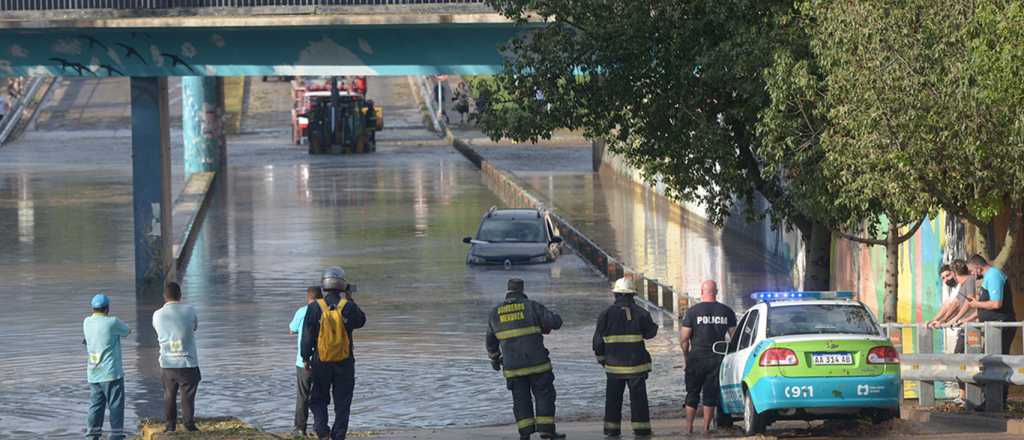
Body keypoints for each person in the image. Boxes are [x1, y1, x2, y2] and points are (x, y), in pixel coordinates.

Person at [486, 278, 566, 440]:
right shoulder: (532, 306)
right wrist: (555, 317)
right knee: (544, 395)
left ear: (507, 291)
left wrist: (495, 359)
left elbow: (490, 341)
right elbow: (555, 322)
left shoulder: (495, 313)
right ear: (522, 290)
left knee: (520, 400)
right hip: (538, 365)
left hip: (513, 368)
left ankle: (525, 434)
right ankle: (546, 431)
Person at [302, 267, 366, 440]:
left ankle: (322, 432)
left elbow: (307, 335)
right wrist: (350, 299)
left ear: (324, 285)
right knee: (343, 402)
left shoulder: (315, 307)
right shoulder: (348, 307)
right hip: (344, 361)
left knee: (318, 399)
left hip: (321, 360)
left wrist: (305, 358)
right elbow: (361, 321)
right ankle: (338, 436)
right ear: (343, 286)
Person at [593, 278, 658, 438]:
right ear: (633, 295)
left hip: (614, 368)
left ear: (616, 294)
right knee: (639, 401)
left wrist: (602, 360)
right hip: (637, 367)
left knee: (613, 401)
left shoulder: (605, 314)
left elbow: (597, 342)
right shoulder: (642, 313)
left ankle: (611, 431)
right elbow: (650, 333)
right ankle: (642, 431)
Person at [679, 280, 736, 434]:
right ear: (716, 292)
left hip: (696, 358)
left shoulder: (692, 312)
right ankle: (706, 429)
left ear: (701, 292)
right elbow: (734, 338)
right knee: (710, 395)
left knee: (692, 393)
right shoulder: (727, 311)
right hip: (717, 359)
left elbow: (684, 339)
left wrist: (686, 357)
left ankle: (689, 428)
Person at [966, 254, 1016, 410]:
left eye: (972, 271)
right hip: (993, 327)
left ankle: (998, 402)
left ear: (978, 267)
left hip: (1000, 327)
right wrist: (971, 316)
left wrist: (976, 304)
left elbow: (996, 303)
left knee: (997, 364)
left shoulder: (993, 275)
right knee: (990, 363)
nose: (972, 274)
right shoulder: (989, 276)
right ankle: (992, 400)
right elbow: (984, 306)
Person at [152, 282, 201, 433]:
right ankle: (188, 424)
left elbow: (157, 331)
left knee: (169, 394)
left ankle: (170, 426)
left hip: (167, 363)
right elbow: (194, 327)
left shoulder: (157, 314)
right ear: (180, 295)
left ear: (164, 297)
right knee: (188, 395)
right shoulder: (190, 310)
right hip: (188, 363)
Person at [926, 260, 977, 404]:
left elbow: (964, 304)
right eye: (943, 278)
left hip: (972, 327)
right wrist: (938, 320)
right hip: (964, 327)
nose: (946, 280)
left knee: (962, 359)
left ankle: (968, 396)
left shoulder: (968, 282)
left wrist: (946, 321)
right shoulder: (960, 286)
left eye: (948, 276)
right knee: (959, 359)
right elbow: (950, 305)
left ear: (954, 273)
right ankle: (963, 396)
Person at [83, 293, 131, 440]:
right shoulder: (112, 322)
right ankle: (116, 437)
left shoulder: (86, 322)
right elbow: (127, 331)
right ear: (107, 308)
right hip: (111, 374)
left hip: (93, 374)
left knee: (95, 408)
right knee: (116, 408)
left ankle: (92, 436)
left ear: (93, 308)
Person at [291, 286, 323, 437]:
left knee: (302, 396)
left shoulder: (302, 311)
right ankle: (320, 427)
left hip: (303, 362)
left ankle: (300, 428)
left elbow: (292, 329)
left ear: (308, 298)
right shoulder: (327, 310)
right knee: (320, 395)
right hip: (323, 360)